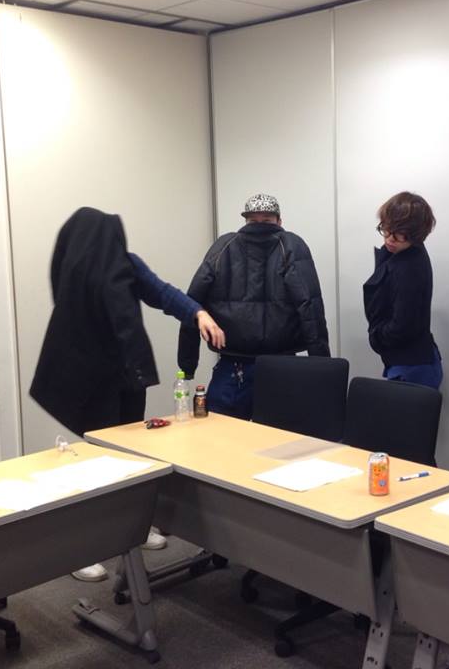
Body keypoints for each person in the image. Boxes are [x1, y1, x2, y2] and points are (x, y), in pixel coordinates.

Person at [31, 207, 224, 581]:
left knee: (130, 457)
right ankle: (83, 548)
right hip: (88, 379)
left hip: (127, 375)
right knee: (96, 462)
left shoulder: (126, 265)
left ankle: (133, 531)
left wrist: (197, 313)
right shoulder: (75, 272)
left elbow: (162, 292)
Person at [175, 193, 330, 420]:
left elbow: (192, 305)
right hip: (282, 365)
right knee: (280, 437)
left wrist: (187, 364)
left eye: (264, 221)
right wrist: (322, 367)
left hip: (233, 366)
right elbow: (311, 308)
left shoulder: (224, 246)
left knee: (221, 435)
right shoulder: (291, 245)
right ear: (279, 221)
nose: (260, 226)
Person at [363, 192, 442, 390]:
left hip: (411, 367)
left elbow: (402, 325)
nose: (389, 238)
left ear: (416, 235)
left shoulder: (409, 267)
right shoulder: (401, 253)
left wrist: (376, 337)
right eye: (386, 229)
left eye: (399, 234)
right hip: (410, 361)